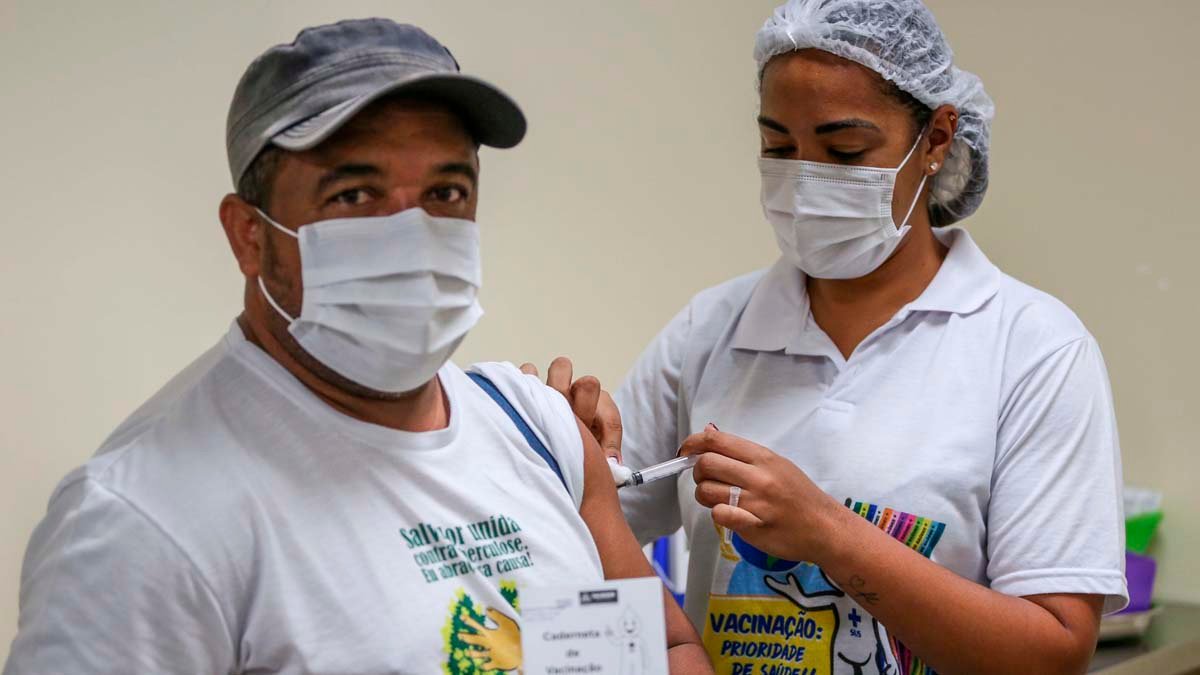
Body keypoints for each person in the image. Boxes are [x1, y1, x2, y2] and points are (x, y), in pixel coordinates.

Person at [3, 19, 709, 674]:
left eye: (446, 190)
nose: (410, 232)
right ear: (249, 235)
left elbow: (666, 641)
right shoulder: (141, 519)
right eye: (353, 195)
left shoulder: (538, 428)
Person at [574, 1, 1126, 673]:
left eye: (844, 150)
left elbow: (1055, 651)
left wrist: (829, 535)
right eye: (779, 148)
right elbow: (580, 547)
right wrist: (570, 462)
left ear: (937, 139)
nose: (804, 182)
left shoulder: (1033, 349)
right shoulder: (711, 330)